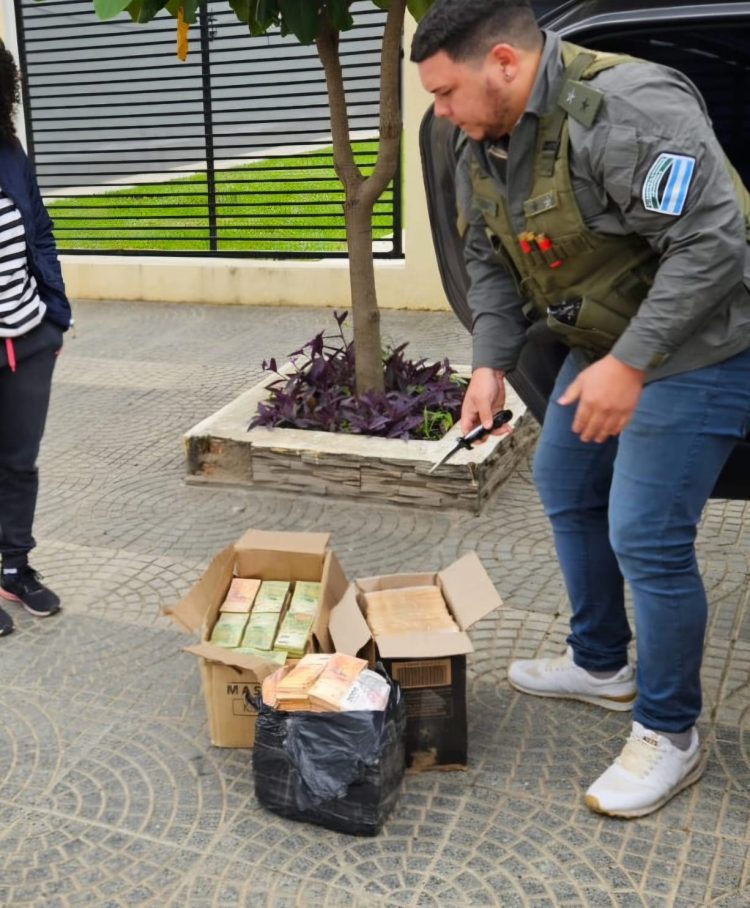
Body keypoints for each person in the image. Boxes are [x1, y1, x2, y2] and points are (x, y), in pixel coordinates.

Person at [412, 0, 750, 818]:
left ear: (503, 61)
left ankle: (670, 733)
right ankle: (603, 663)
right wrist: (489, 368)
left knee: (646, 533)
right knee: (564, 481)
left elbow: (714, 242)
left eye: (448, 91)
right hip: (603, 343)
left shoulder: (631, 108)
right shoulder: (476, 138)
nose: (441, 112)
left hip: (705, 341)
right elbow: (490, 262)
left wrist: (631, 365)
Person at [0, 40, 71, 636]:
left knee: (20, 463)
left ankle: (13, 566)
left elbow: (39, 231)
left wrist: (55, 316)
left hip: (27, 336)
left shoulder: (10, 153)